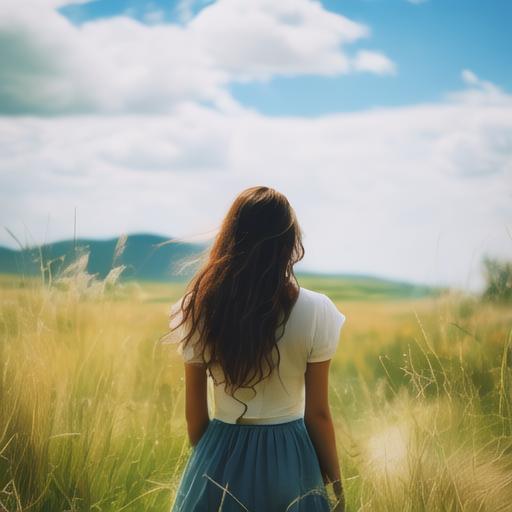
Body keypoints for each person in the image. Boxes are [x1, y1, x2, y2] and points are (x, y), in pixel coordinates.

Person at [163, 186, 346, 511]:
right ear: (289, 242)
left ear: (231, 238)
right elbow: (318, 414)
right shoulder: (318, 311)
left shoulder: (199, 309)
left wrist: (212, 462)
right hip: (291, 461)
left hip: (220, 456)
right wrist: (337, 488)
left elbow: (194, 416)